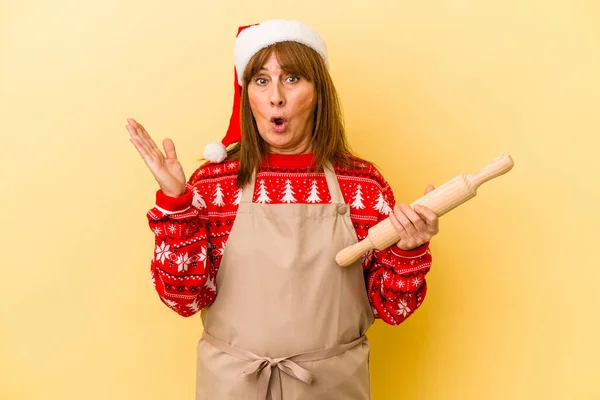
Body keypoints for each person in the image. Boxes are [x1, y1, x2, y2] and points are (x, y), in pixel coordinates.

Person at [126, 19, 439, 400]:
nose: (276, 96)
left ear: (318, 91)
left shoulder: (363, 184)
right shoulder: (214, 183)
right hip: (233, 386)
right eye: (261, 80)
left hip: (332, 388)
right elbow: (183, 298)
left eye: (292, 79)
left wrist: (409, 250)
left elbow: (393, 308)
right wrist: (176, 203)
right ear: (248, 96)